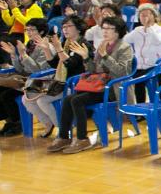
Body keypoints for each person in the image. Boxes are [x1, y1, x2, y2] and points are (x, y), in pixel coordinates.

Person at [50, 16, 133, 155]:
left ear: (117, 31)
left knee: (77, 100)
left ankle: (82, 139)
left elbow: (122, 72)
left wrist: (105, 56)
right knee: (68, 99)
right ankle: (64, 137)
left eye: (108, 29)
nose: (105, 31)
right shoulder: (102, 45)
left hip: (113, 88)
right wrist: (86, 57)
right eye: (103, 28)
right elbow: (93, 70)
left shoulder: (125, 47)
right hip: (98, 86)